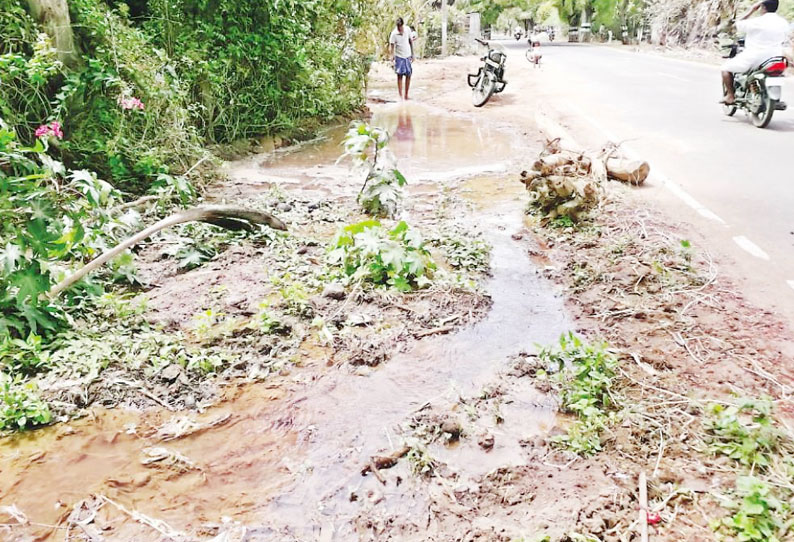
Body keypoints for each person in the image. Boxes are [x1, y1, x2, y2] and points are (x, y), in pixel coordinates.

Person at [721, 0, 789, 105]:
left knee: (725, 69)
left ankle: (730, 95)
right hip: (775, 58)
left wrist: (751, 10)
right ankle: (773, 98)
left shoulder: (756, 21)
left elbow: (738, 23)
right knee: (778, 75)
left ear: (762, 7)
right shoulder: (783, 23)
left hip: (754, 58)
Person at [389, 17, 415, 101]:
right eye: (398, 27)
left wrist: (413, 54)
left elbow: (410, 41)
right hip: (399, 56)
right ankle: (400, 96)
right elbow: (392, 46)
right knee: (399, 75)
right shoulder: (394, 34)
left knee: (408, 74)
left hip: (407, 55)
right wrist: (391, 57)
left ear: (403, 25)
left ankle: (406, 95)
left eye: (401, 27)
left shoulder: (407, 29)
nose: (400, 29)